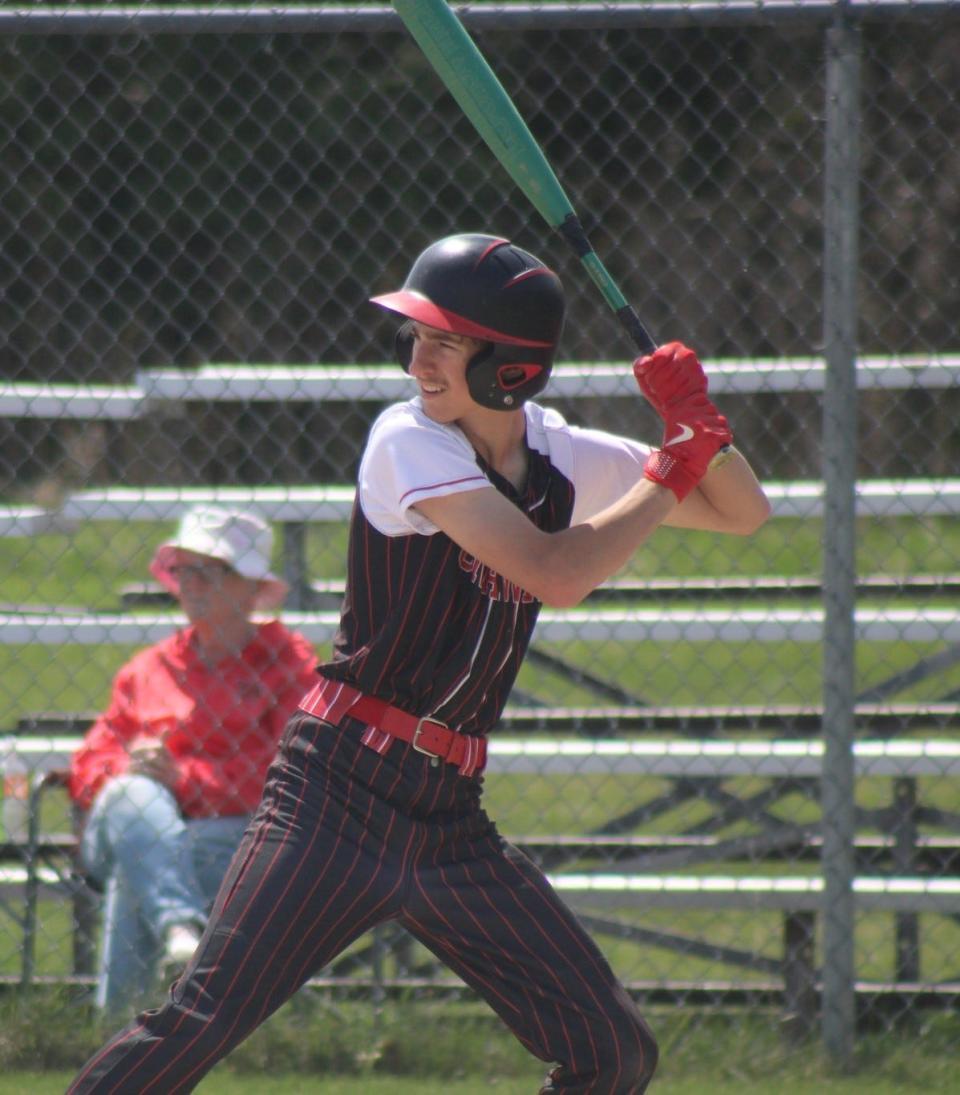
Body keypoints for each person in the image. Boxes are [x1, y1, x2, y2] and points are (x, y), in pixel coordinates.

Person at [69, 233, 770, 1093]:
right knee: (199, 1020)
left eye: (448, 339)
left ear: (511, 365)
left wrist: (703, 429)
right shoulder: (408, 438)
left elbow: (743, 511)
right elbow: (558, 573)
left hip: (447, 820)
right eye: (417, 334)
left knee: (611, 1050)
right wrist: (671, 462)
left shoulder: (560, 454)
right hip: (335, 794)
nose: (420, 357)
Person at [67, 504, 317, 1016]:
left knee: (140, 866)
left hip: (236, 834)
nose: (192, 584)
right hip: (139, 824)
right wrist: (133, 767)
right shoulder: (149, 668)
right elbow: (91, 760)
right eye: (184, 570)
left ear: (251, 589)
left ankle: (119, 1029)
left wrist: (184, 779)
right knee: (131, 799)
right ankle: (182, 929)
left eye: (211, 570)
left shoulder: (288, 667)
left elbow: (286, 777)